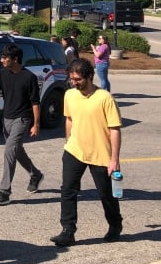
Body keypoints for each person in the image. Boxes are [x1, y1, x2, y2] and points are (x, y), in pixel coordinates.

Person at [50, 58, 122, 246]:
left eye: (78, 79)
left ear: (90, 76)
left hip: (101, 155)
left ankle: (115, 225)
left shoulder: (105, 98)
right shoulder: (70, 95)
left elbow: (115, 129)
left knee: (106, 193)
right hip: (74, 151)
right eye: (71, 79)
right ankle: (68, 230)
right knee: (67, 190)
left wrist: (114, 159)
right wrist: (68, 142)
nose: (74, 83)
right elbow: (70, 119)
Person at [0, 43, 44, 206]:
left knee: (9, 150)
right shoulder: (2, 74)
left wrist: (36, 124)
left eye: (5, 58)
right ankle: (35, 174)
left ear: (15, 59)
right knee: (16, 151)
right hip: (7, 118)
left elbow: (35, 103)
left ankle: (4, 192)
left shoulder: (29, 77)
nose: (2, 61)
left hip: (22, 119)